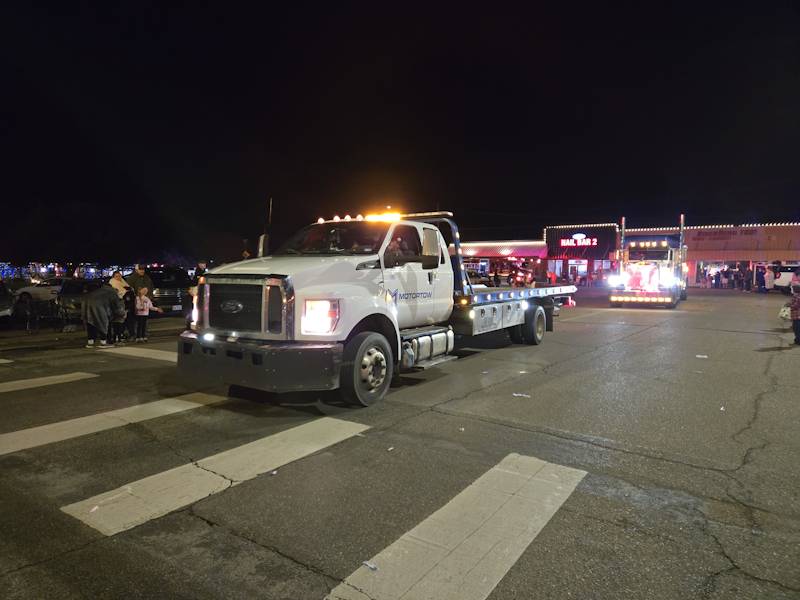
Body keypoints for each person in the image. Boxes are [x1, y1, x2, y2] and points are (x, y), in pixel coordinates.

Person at [82, 283, 125, 349]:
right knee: (103, 324)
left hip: (88, 308)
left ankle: (90, 342)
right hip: (101, 309)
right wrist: (121, 313)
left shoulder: (95, 291)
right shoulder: (111, 291)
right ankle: (103, 342)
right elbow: (117, 305)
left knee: (91, 324)